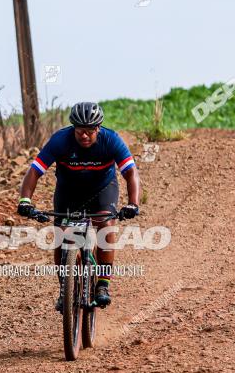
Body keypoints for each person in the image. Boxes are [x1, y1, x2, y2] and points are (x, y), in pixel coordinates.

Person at [16, 101, 141, 311]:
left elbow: (130, 173)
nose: (84, 135)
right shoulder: (60, 140)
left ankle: (102, 284)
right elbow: (35, 171)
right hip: (69, 192)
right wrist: (25, 200)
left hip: (102, 189)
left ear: (98, 129)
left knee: (105, 225)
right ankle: (65, 289)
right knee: (61, 235)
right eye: (80, 130)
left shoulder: (111, 140)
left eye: (90, 131)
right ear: (73, 128)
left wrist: (133, 203)